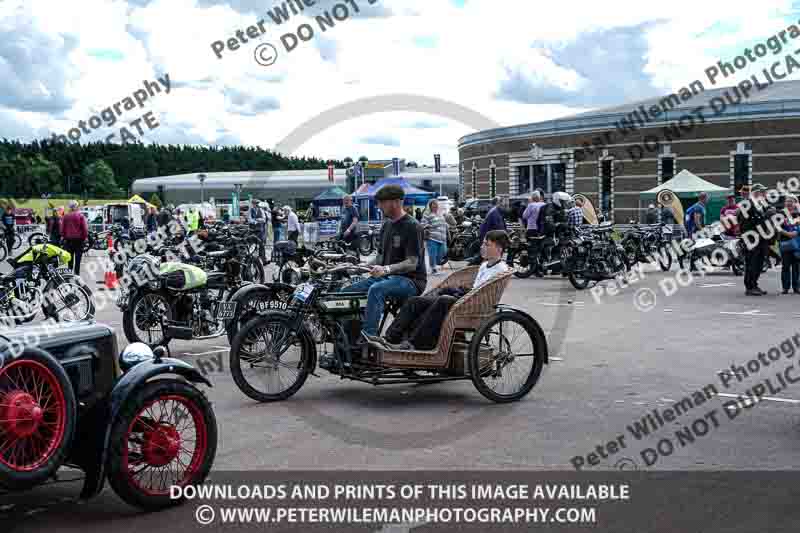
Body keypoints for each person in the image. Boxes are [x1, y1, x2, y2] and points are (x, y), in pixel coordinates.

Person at [366, 230, 510, 351]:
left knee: (443, 300)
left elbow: (483, 292)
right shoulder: (484, 265)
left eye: (487, 244)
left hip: (474, 306)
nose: (482, 247)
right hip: (466, 298)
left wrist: (461, 293)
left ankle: (413, 343)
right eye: (483, 243)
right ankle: (390, 338)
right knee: (415, 301)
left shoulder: (501, 269)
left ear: (499, 248)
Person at [345, 184, 427, 340]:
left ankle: (368, 337)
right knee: (347, 290)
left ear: (396, 202)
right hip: (387, 277)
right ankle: (350, 336)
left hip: (411, 280)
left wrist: (386, 269)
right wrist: (359, 267)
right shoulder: (386, 225)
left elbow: (412, 262)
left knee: (376, 289)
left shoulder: (413, 226)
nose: (379, 206)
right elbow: (380, 257)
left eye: (382, 202)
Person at [738, 184, 773, 296]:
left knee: (759, 263)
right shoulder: (746, 204)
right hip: (752, 238)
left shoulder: (761, 205)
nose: (765, 194)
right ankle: (749, 287)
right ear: (756, 193)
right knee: (751, 262)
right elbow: (744, 224)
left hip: (762, 238)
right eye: (763, 192)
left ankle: (754, 284)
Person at [779, 194, 800, 295]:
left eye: (791, 201)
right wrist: (787, 233)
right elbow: (777, 227)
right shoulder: (781, 214)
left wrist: (796, 232)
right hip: (785, 242)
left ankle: (796, 287)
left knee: (796, 266)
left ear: (795, 203)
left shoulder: (798, 213)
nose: (789, 203)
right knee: (785, 266)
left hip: (797, 243)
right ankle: (785, 287)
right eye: (787, 201)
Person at [62, 200, 88, 275]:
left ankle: (69, 274)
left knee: (69, 259)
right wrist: (85, 238)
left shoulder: (65, 216)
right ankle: (77, 274)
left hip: (68, 240)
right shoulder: (80, 216)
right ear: (76, 206)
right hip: (79, 240)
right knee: (78, 259)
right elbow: (84, 229)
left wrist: (64, 237)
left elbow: (62, 229)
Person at [422, 199, 447, 275]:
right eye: (433, 204)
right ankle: (433, 269)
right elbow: (423, 224)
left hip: (442, 238)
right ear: (430, 206)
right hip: (432, 238)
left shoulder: (440, 214)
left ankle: (436, 265)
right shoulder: (427, 214)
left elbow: (444, 224)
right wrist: (429, 226)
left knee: (443, 252)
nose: (435, 206)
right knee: (432, 254)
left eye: (436, 204)